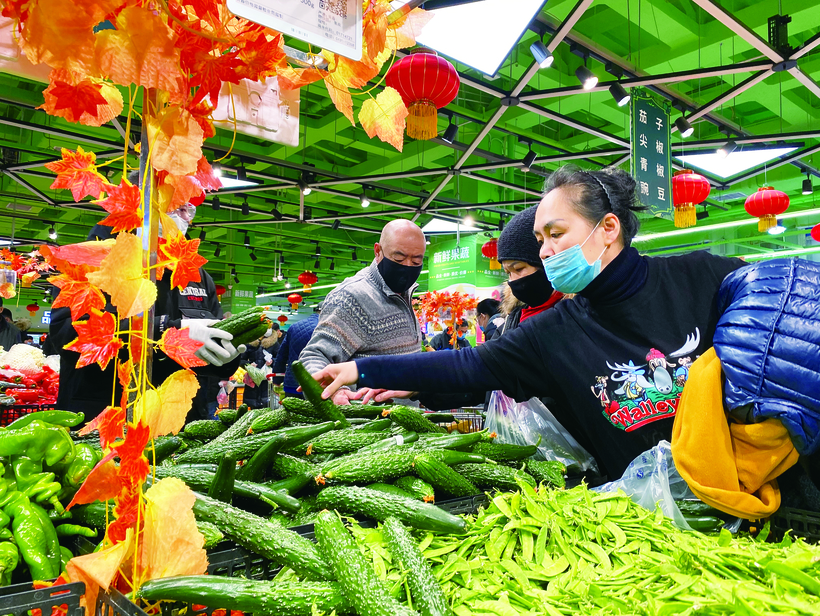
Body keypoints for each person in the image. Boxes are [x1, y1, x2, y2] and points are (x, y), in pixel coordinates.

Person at [313, 166, 747, 479]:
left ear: (608, 227)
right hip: (652, 523)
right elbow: (471, 365)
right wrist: (358, 368)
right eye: (539, 240)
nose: (543, 252)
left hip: (758, 498)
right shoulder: (555, 332)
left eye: (556, 234)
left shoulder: (705, 276)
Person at [50, 179, 243, 423]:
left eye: (188, 210)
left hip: (177, 419)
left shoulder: (195, 274)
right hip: (105, 416)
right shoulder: (88, 261)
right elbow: (69, 339)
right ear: (138, 205)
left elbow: (208, 344)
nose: (182, 217)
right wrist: (168, 331)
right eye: (172, 206)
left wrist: (227, 358)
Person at [299, 219, 426, 405]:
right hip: (366, 427)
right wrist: (337, 392)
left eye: (416, 261)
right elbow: (313, 357)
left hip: (404, 428)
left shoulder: (405, 294)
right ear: (377, 251)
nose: (407, 266)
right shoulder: (351, 297)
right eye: (399, 259)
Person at [273, 304, 322, 398]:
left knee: (290, 412)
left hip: (292, 384)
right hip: (317, 385)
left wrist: (277, 379)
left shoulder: (294, 326)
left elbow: (282, 355)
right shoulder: (326, 328)